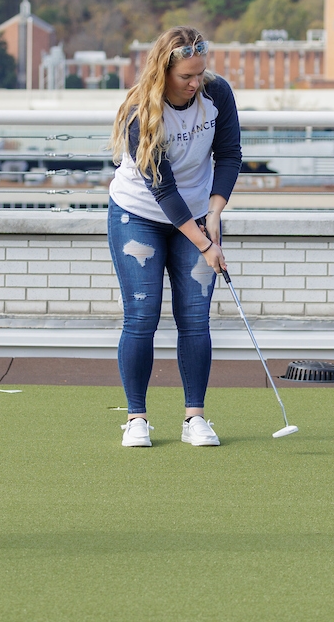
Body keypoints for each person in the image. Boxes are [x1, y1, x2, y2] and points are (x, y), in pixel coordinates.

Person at [107, 27, 242, 447]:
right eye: (186, 76)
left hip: (199, 213)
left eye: (200, 73)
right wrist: (206, 244)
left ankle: (195, 418)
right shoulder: (139, 112)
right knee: (142, 317)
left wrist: (215, 213)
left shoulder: (217, 94)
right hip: (139, 216)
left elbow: (230, 154)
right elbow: (162, 190)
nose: (195, 83)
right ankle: (136, 419)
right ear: (162, 72)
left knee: (195, 319)